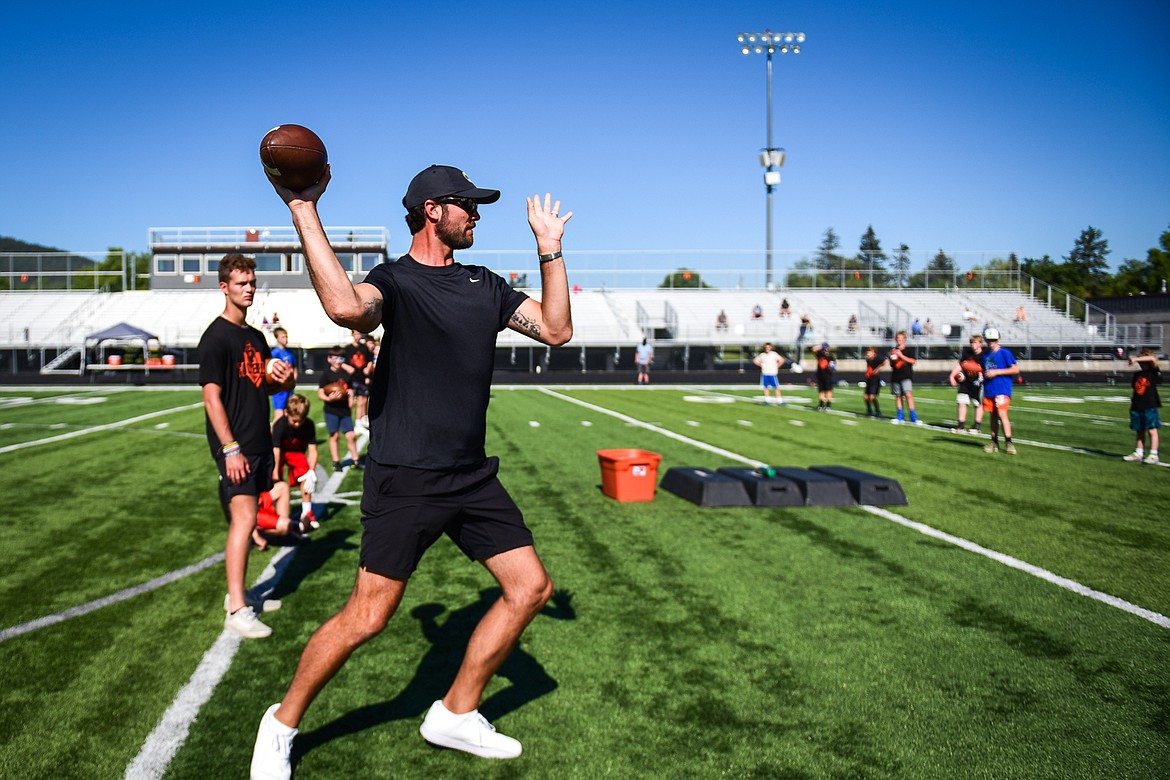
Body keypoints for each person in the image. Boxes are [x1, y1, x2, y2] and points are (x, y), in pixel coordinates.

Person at [251, 162, 572, 775]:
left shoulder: (486, 284)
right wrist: (303, 209)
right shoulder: (393, 281)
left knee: (530, 588)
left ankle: (455, 712)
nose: (476, 214)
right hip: (406, 475)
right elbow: (347, 308)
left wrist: (549, 250)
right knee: (367, 618)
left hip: (471, 475)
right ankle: (281, 721)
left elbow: (556, 329)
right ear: (432, 210)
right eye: (466, 205)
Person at [198, 253, 294, 640]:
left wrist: (283, 379)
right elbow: (211, 399)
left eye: (252, 282)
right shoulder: (215, 338)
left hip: (257, 441)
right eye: (241, 283)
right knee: (243, 520)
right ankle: (237, 607)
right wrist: (230, 448)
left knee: (251, 519)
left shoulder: (255, 337)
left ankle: (241, 595)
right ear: (224, 287)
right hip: (235, 446)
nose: (249, 289)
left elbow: (264, 386)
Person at [272, 393, 320, 530]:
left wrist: (311, 471)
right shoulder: (279, 426)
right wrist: (275, 473)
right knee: (275, 478)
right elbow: (276, 452)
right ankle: (275, 509)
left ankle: (307, 512)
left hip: (296, 452)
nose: (298, 424)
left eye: (301, 420)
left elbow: (313, 450)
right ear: (286, 413)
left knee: (306, 476)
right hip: (280, 452)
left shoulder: (309, 425)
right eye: (294, 421)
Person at [318, 347, 362, 472]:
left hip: (344, 410)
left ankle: (356, 460)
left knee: (351, 436)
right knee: (334, 436)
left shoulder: (346, 374)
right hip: (331, 410)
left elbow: (350, 390)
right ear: (329, 359)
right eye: (335, 358)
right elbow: (320, 393)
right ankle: (336, 462)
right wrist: (329, 399)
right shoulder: (326, 375)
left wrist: (350, 402)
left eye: (341, 358)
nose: (338, 361)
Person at [980, 328, 1020, 454]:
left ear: (998, 340)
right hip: (990, 388)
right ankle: (994, 441)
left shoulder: (1005, 353)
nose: (991, 342)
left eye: (993, 340)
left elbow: (1015, 369)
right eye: (989, 340)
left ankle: (1009, 442)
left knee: (1002, 413)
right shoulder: (985, 355)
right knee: (993, 415)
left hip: (1002, 388)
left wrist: (997, 372)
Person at [1122, 349, 1161, 464]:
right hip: (1137, 405)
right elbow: (1136, 390)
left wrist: (1135, 358)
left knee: (1152, 430)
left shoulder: (1152, 372)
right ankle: (1139, 452)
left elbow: (1153, 359)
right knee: (1139, 430)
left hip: (1150, 405)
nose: (1140, 363)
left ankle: (1154, 454)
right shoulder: (1137, 374)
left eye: (1142, 360)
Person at [949, 335, 985, 434]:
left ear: (980, 344)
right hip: (965, 381)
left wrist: (979, 372)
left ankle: (977, 426)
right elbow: (960, 365)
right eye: (972, 343)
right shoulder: (967, 353)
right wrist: (952, 376)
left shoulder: (984, 355)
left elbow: (986, 369)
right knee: (961, 401)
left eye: (975, 342)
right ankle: (961, 425)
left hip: (978, 382)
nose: (973, 345)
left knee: (978, 404)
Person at [345, 329, 375, 429]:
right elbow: (342, 362)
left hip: (362, 377)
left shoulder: (364, 348)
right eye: (356, 334)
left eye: (359, 334)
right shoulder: (348, 349)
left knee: (363, 401)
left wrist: (368, 368)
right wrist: (347, 367)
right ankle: (350, 423)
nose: (358, 336)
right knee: (351, 401)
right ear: (352, 335)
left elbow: (370, 360)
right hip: (352, 378)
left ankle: (360, 422)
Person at [888, 330, 920, 424]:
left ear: (904, 340)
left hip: (906, 376)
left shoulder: (909, 350)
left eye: (901, 339)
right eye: (898, 338)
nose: (899, 340)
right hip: (896, 376)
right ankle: (900, 415)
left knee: (908, 394)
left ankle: (913, 416)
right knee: (898, 396)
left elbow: (913, 361)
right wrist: (893, 359)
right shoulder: (893, 351)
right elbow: (891, 364)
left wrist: (901, 356)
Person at [270, 327, 299, 426]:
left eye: (286, 336)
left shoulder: (290, 352)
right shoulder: (274, 353)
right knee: (279, 415)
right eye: (282, 337)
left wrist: (293, 380)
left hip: (289, 388)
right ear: (276, 338)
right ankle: (272, 437)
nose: (285, 339)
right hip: (280, 389)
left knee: (289, 413)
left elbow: (294, 367)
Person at [862, 346, 887, 418]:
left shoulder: (878, 358)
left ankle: (877, 411)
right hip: (869, 379)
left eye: (869, 352)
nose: (868, 353)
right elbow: (868, 367)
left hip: (875, 380)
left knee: (872, 397)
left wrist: (878, 368)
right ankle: (869, 410)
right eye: (867, 352)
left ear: (874, 353)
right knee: (866, 397)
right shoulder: (868, 359)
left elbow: (885, 361)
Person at [813, 342, 835, 411]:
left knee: (828, 391)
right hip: (820, 375)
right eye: (824, 349)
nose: (825, 350)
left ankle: (828, 406)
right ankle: (821, 405)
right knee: (821, 391)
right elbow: (814, 349)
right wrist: (821, 345)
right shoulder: (820, 354)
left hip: (828, 376)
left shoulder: (831, 357)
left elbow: (832, 368)